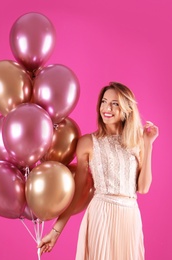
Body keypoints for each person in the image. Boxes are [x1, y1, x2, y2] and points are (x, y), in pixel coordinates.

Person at [38, 82, 159, 259]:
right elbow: (77, 193)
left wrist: (148, 145)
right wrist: (55, 232)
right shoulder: (88, 142)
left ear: (126, 109)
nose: (106, 108)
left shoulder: (137, 142)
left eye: (115, 103)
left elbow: (143, 188)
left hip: (130, 218)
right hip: (101, 215)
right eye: (104, 101)